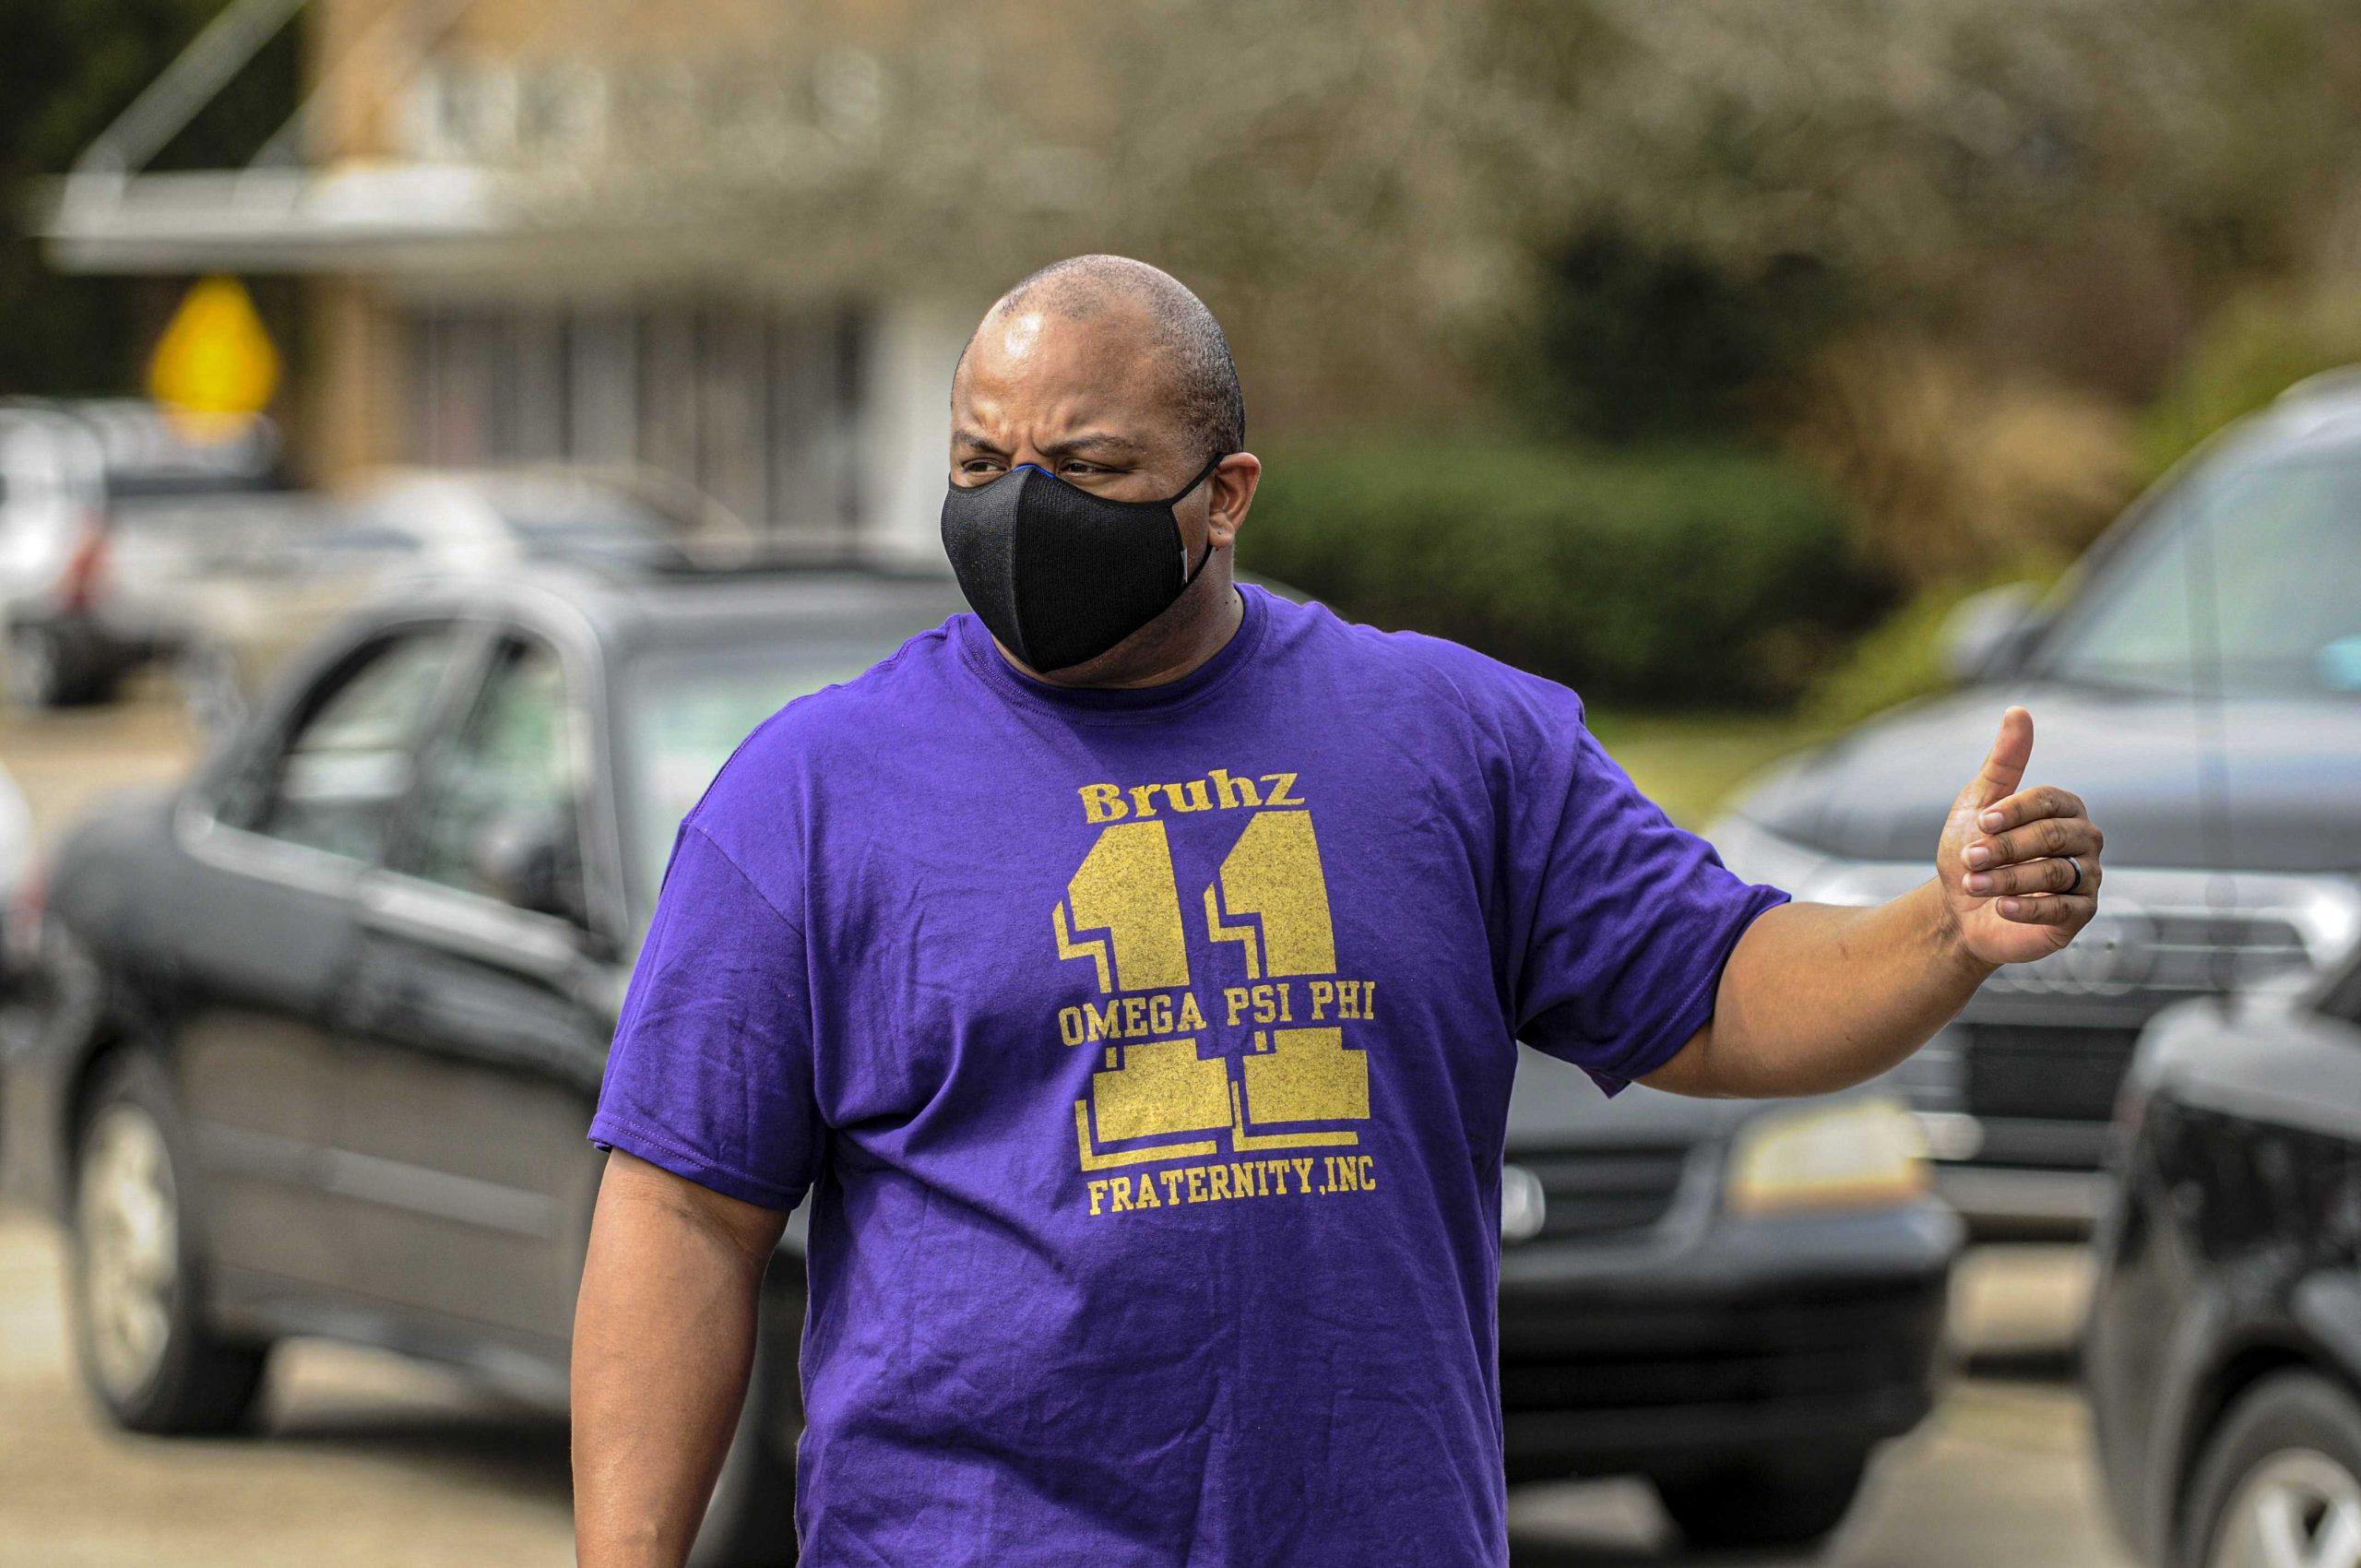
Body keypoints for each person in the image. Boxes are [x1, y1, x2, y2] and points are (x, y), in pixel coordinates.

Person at [571, 255, 2105, 1566]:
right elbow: (684, 1212)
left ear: (1224, 493)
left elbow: (1721, 989)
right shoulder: (816, 793)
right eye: (981, 466)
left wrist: (1948, 927)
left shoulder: (1451, 743)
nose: (1022, 512)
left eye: (1089, 471)